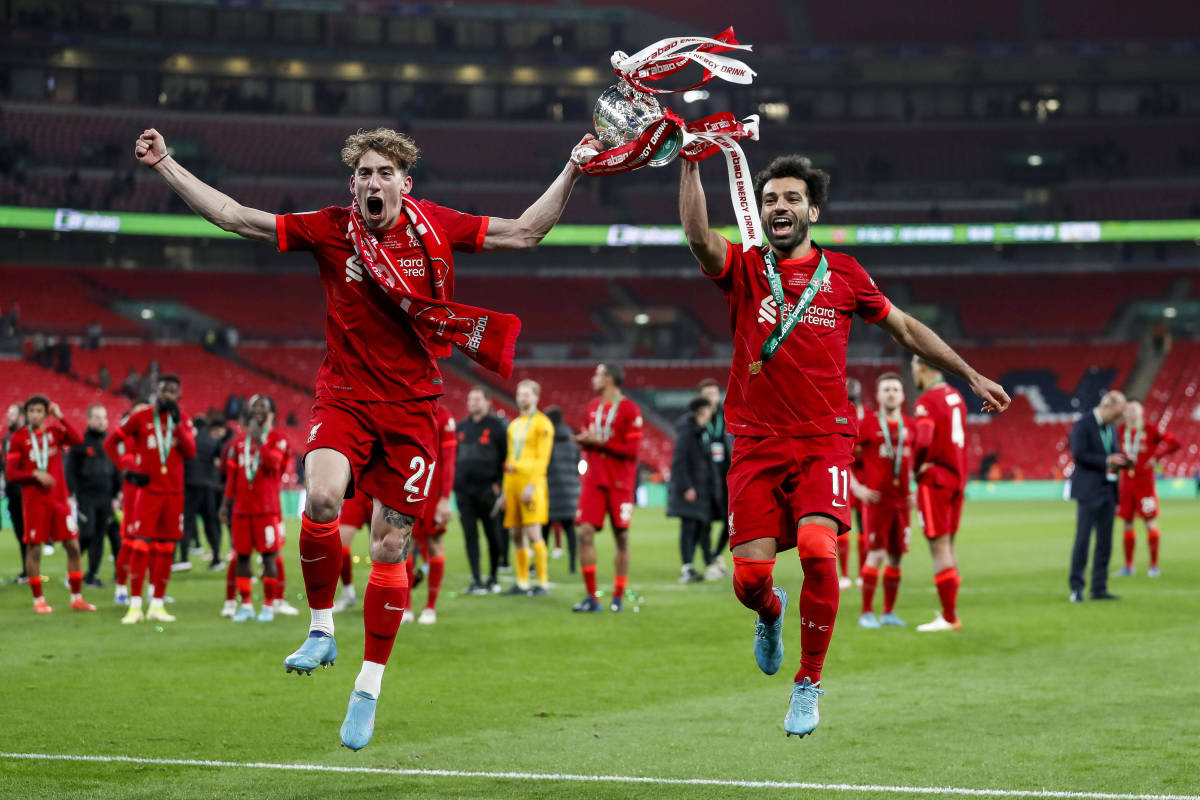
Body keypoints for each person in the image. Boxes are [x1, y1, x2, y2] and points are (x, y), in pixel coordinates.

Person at [136, 122, 597, 750]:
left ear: (406, 183)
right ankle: (322, 628)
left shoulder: (435, 225)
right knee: (321, 500)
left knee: (387, 546)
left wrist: (572, 167)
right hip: (345, 396)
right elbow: (237, 218)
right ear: (351, 185)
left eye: (385, 174)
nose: (373, 183)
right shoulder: (330, 228)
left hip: (414, 409)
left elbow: (526, 230)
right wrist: (166, 164)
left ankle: (369, 685)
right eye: (363, 174)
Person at [678, 153, 1009, 736]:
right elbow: (700, 238)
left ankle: (808, 683)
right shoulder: (747, 267)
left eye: (791, 198)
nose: (780, 206)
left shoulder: (846, 274)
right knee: (750, 581)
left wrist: (971, 374)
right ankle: (771, 613)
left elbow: (905, 330)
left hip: (825, 439)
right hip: (756, 440)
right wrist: (689, 167)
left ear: (813, 209)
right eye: (771, 199)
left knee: (815, 546)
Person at [109, 375, 197, 624]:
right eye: (164, 390)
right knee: (139, 546)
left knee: (167, 548)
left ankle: (157, 604)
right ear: (156, 392)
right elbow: (111, 442)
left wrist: (178, 424)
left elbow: (190, 452)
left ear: (178, 397)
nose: (168, 395)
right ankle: (135, 605)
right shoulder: (141, 417)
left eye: (173, 391)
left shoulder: (182, 420)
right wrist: (125, 470)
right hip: (148, 493)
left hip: (174, 495)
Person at [5, 395, 95, 612]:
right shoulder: (18, 438)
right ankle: (39, 600)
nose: (34, 415)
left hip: (59, 500)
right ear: (27, 414)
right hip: (35, 502)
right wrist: (34, 474)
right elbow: (11, 473)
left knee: (73, 546)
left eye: (39, 411)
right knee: (34, 549)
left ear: (46, 413)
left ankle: (77, 598)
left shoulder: (55, 433)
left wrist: (61, 416)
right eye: (31, 411)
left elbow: (77, 440)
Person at [573, 363, 644, 613]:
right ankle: (592, 597)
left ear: (609, 378)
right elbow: (590, 439)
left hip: (620, 482)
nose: (593, 378)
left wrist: (599, 443)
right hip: (594, 479)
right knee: (584, 533)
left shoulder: (630, 409)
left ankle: (617, 596)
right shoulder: (592, 407)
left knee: (621, 537)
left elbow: (633, 452)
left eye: (597, 374)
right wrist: (586, 442)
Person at [910, 357, 972, 632]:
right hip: (957, 478)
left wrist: (915, 468)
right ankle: (952, 612)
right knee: (950, 545)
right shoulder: (955, 396)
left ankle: (949, 617)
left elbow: (923, 440)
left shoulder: (927, 401)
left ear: (922, 367)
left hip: (935, 479)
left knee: (939, 547)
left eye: (913, 367)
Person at [849, 373, 914, 628]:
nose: (891, 393)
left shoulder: (911, 426)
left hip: (902, 504)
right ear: (877, 395)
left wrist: (917, 488)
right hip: (877, 502)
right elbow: (844, 459)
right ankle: (866, 612)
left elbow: (918, 462)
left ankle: (888, 612)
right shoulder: (867, 425)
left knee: (896, 557)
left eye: (895, 389)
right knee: (875, 554)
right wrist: (858, 489)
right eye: (886, 389)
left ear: (902, 395)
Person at [220, 394, 290, 622]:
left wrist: (261, 441)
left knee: (269, 557)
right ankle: (246, 605)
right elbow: (231, 479)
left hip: (266, 509)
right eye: (254, 407)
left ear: (270, 413)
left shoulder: (278, 440)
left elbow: (274, 465)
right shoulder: (238, 443)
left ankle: (269, 605)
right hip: (241, 510)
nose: (258, 410)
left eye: (263, 407)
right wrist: (225, 505)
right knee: (241, 558)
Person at [1068, 391, 1131, 602]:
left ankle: (1098, 588)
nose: (1117, 419)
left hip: (1108, 490)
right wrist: (1107, 460)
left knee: (1105, 542)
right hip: (1088, 490)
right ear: (1106, 406)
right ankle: (1076, 588)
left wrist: (1121, 460)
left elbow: (1112, 452)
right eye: (1116, 414)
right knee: (1083, 540)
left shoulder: (1111, 427)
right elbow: (1079, 454)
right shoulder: (1083, 424)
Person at [501, 380, 555, 597]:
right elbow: (510, 457)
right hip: (512, 482)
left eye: (526, 394)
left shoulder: (543, 424)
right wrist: (505, 491)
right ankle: (522, 582)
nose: (522, 398)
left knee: (533, 532)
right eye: (519, 394)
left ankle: (542, 583)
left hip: (531, 483)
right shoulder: (514, 425)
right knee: (515, 533)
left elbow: (543, 459)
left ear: (536, 397)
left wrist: (532, 485)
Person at [454, 386, 509, 595]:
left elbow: (506, 457)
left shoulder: (497, 427)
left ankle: (493, 576)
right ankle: (476, 579)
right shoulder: (462, 427)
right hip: (464, 491)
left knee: (493, 534)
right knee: (470, 535)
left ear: (488, 402)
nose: (473, 402)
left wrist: (501, 485)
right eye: (471, 399)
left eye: (477, 399)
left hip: (488, 489)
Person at [1115, 401, 1179, 577]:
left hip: (1145, 484)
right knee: (1127, 523)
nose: (1131, 413)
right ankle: (1128, 566)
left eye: (1135, 409)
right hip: (1126, 483)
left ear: (1141, 412)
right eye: (1128, 410)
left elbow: (1175, 443)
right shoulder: (1120, 431)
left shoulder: (1151, 429)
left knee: (1149, 522)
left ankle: (1154, 565)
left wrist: (1156, 457)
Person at [408, 403, 457, 623]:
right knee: (404, 546)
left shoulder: (444, 417)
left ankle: (430, 607)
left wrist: (445, 499)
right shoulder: (406, 411)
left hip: (434, 491)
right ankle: (405, 607)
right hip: (408, 488)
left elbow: (449, 462)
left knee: (435, 544)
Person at [66, 403, 121, 588]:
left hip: (105, 497)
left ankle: (92, 575)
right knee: (87, 534)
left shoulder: (110, 442)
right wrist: (70, 493)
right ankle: (73, 570)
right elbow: (71, 470)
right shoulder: (80, 442)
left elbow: (117, 470)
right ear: (89, 420)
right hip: (86, 496)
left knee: (99, 536)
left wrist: (117, 494)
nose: (101, 421)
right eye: (97, 417)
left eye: (104, 417)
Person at [668, 396, 716, 583]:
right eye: (709, 408)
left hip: (702, 489)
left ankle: (690, 567)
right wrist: (686, 487)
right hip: (690, 490)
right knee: (688, 528)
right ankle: (686, 568)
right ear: (702, 410)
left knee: (699, 529)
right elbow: (679, 462)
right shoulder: (687, 431)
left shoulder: (703, 431)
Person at [106, 403, 150, 605]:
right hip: (134, 494)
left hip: (153, 493)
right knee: (129, 542)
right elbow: (118, 452)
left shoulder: (154, 433)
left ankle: (152, 589)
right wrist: (127, 469)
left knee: (153, 544)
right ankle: (121, 588)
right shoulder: (129, 434)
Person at [183, 412, 227, 571]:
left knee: (187, 523)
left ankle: (182, 558)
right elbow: (219, 463)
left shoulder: (189, 440)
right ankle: (216, 557)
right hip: (209, 487)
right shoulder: (213, 441)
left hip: (190, 486)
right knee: (211, 523)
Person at [697, 378, 732, 579]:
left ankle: (716, 554)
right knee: (705, 522)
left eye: (714, 393)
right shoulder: (696, 419)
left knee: (730, 521)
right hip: (705, 478)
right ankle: (709, 562)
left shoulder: (727, 416)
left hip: (726, 477)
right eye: (707, 394)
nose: (711, 397)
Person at [544, 406, 580, 573]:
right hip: (570, 490)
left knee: (544, 530)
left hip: (550, 489)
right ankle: (573, 565)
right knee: (569, 529)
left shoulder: (546, 439)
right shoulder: (572, 441)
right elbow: (578, 464)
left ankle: (540, 564)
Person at [330, 490, 372, 614]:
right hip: (357, 490)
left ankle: (385, 599)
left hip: (380, 487)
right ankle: (347, 592)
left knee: (383, 549)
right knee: (340, 544)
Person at [3, 403, 29, 582]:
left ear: (21, 416)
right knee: (20, 534)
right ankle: (26, 571)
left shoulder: (29, 437)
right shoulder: (6, 438)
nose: (7, 417)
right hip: (12, 493)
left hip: (27, 493)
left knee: (30, 534)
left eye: (11, 414)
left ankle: (32, 572)